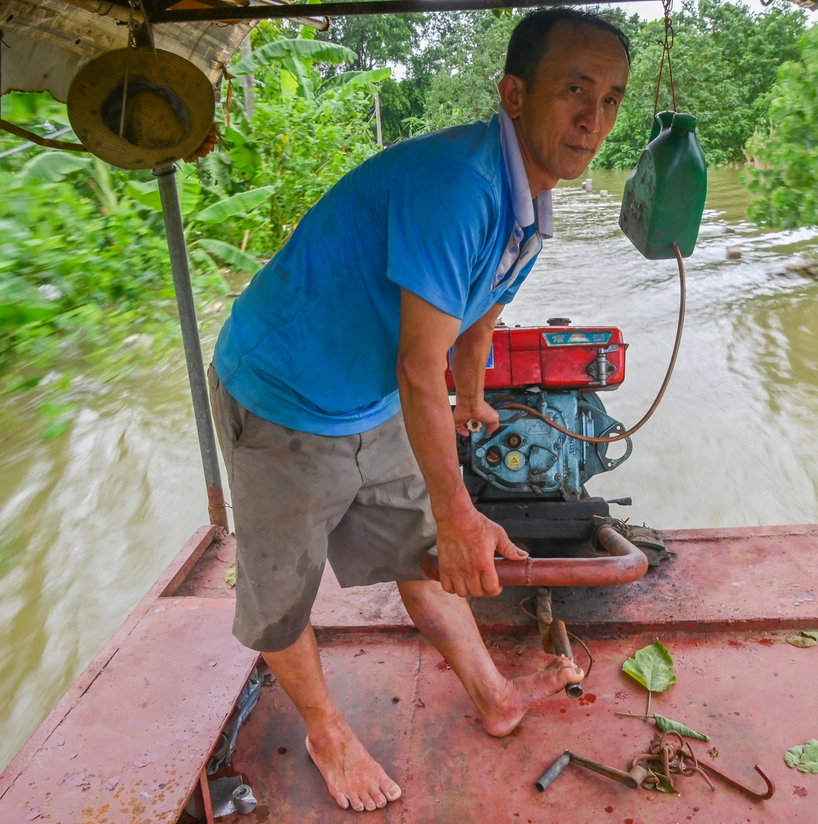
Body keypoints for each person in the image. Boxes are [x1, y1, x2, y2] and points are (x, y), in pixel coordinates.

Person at [207, 8, 630, 813]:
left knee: (427, 549)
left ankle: (495, 697)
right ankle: (328, 735)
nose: (593, 119)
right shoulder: (460, 187)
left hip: (369, 396)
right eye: (574, 90)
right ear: (513, 93)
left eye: (610, 99)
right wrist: (461, 507)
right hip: (283, 395)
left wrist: (472, 400)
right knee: (280, 593)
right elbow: (415, 364)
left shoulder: (530, 205)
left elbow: (479, 317)